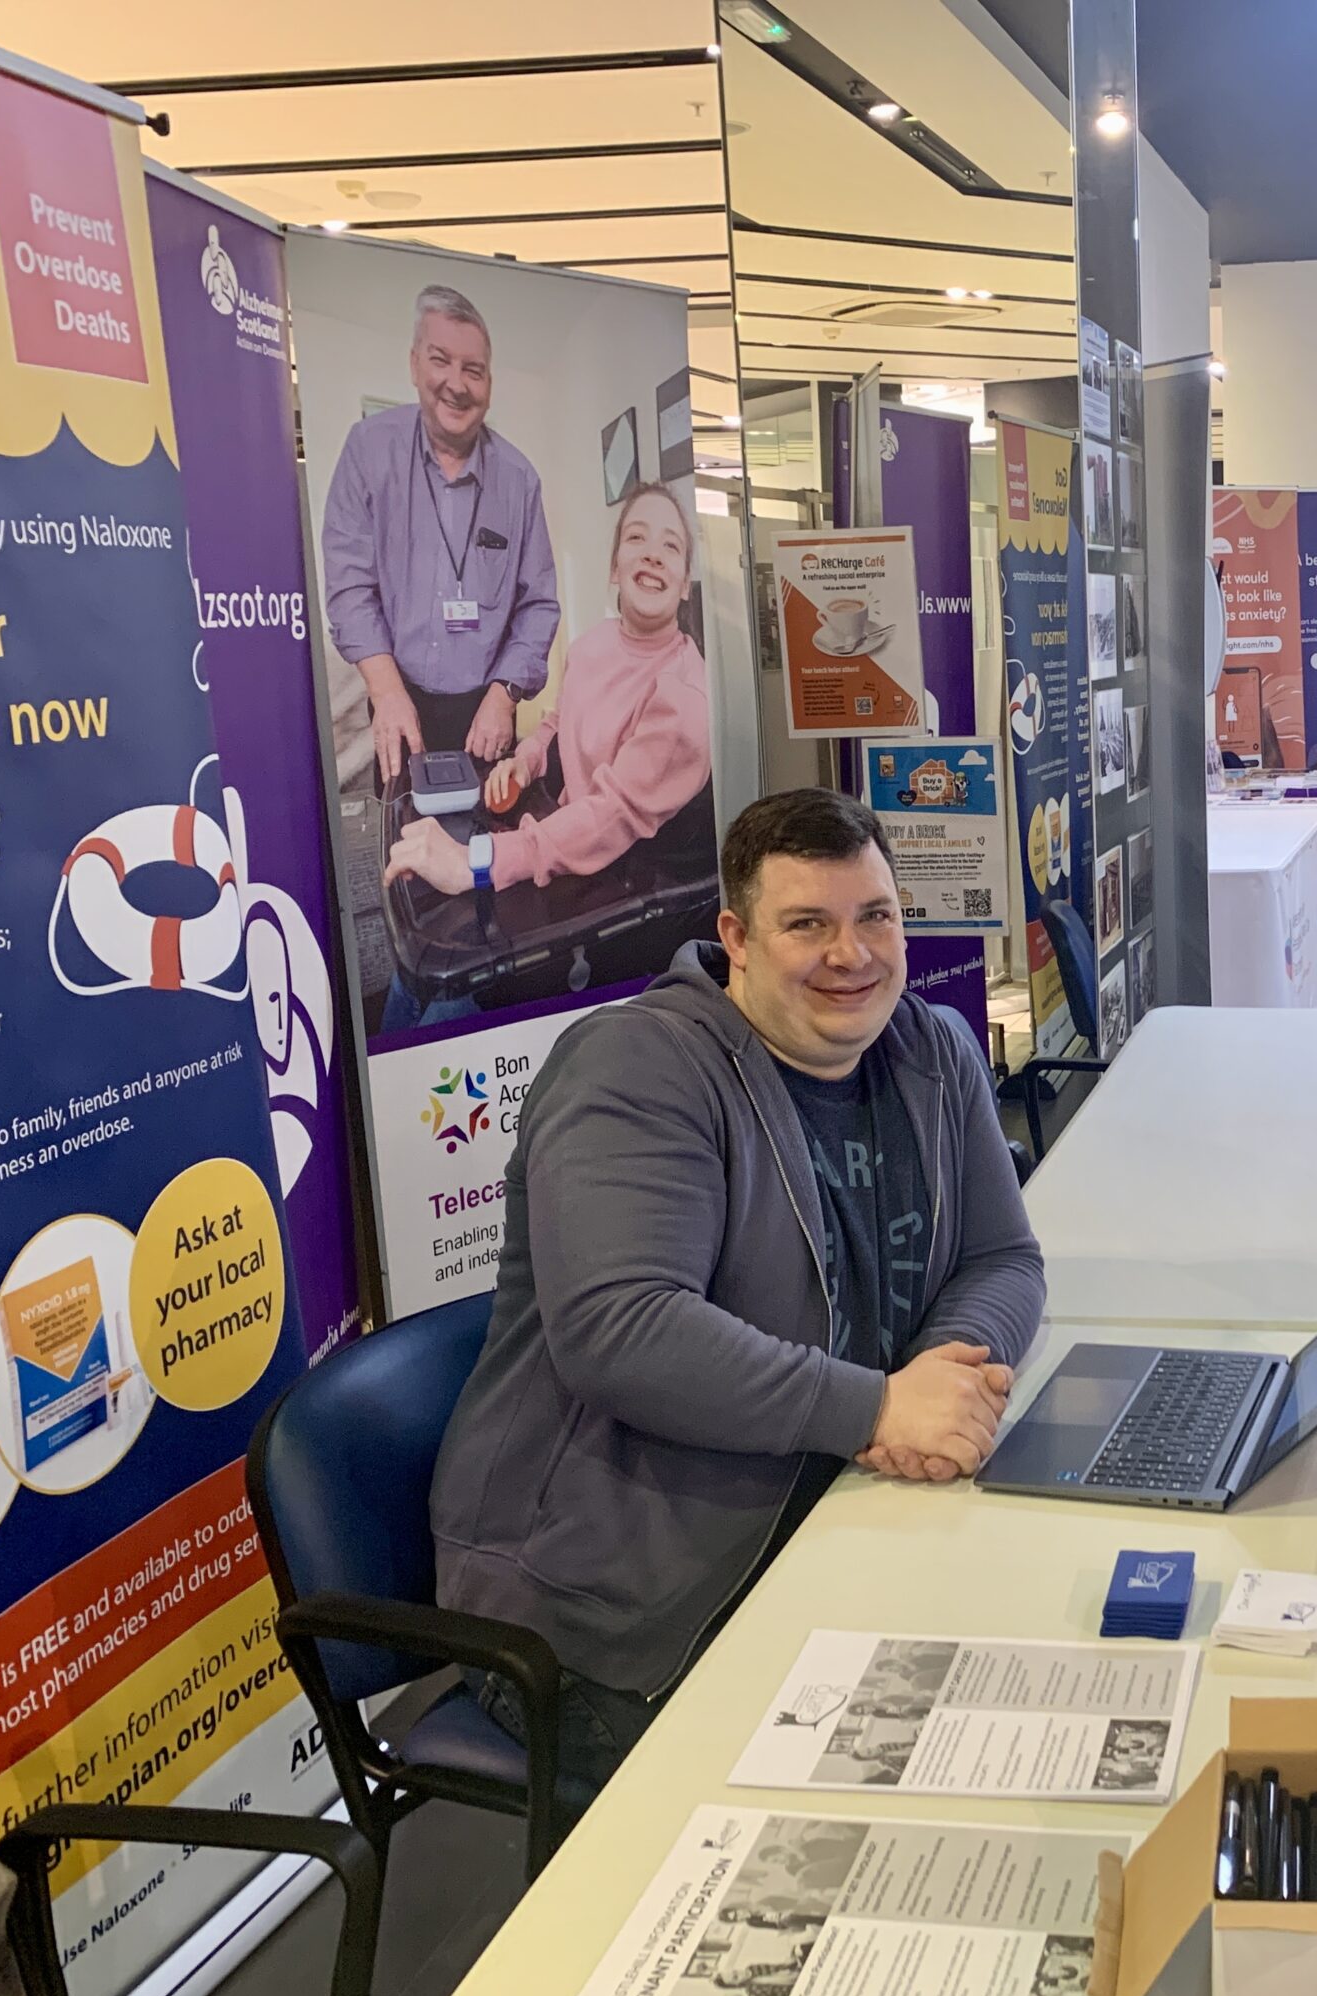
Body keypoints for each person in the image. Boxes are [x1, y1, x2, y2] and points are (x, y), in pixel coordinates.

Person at [428, 787, 1045, 1799]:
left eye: (875, 916)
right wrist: (877, 1410)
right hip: (611, 1617)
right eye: (807, 924)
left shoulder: (929, 1048)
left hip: (832, 1527)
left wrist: (950, 1377)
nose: (852, 954)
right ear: (737, 939)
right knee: (876, 1808)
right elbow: (622, 1332)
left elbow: (1003, 1258)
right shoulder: (637, 1069)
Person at [383, 480, 711, 897]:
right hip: (561, 831)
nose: (653, 554)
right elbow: (558, 721)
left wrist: (479, 860)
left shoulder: (683, 697)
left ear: (684, 583)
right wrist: (526, 761)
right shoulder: (590, 645)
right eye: (636, 537)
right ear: (615, 568)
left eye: (671, 546)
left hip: (624, 875)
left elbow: (613, 816)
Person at [320, 283, 560, 785]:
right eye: (440, 360)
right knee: (404, 829)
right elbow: (349, 584)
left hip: (487, 710)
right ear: (414, 365)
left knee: (488, 831)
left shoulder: (519, 480)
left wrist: (505, 694)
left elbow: (538, 605)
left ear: (489, 382)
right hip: (396, 694)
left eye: (473, 369)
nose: (457, 384)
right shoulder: (368, 451)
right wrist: (386, 692)